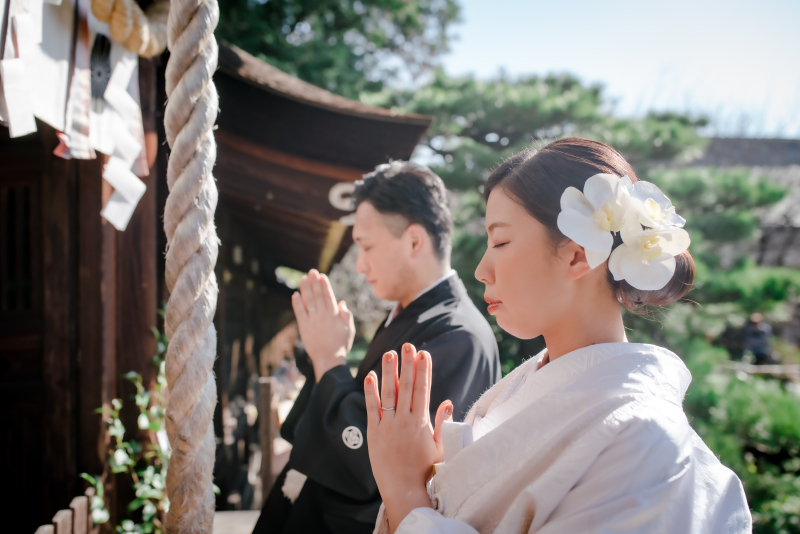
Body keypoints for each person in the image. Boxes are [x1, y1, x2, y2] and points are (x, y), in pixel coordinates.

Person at [363, 138, 752, 533]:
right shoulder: (526, 387)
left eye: (501, 241)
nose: (481, 270)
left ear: (579, 254)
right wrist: (435, 477)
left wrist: (405, 491)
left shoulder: (645, 437)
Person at [253, 161, 501, 534]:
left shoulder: (460, 337)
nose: (359, 266)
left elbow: (382, 472)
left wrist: (330, 361)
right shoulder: (410, 316)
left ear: (414, 241)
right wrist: (322, 360)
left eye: (366, 246)